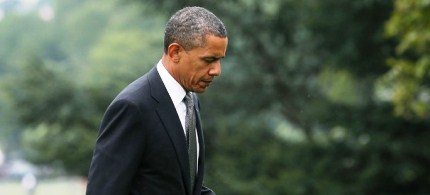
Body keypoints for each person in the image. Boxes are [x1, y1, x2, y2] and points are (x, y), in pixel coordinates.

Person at [86, 6, 228, 195]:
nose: (217, 70)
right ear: (175, 52)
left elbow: (184, 186)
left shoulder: (191, 100)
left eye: (220, 60)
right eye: (209, 60)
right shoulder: (132, 107)